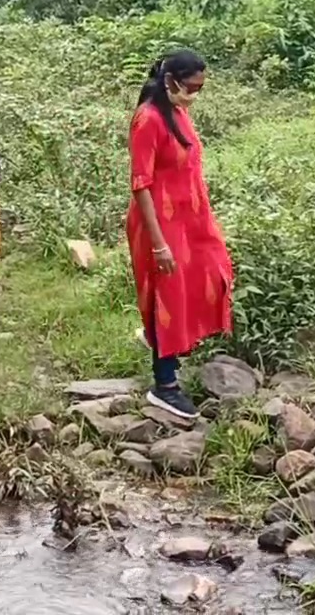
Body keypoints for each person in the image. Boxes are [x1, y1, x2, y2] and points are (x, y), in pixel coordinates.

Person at [127, 50, 233, 419]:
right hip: (158, 222)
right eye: (191, 87)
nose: (195, 94)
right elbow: (141, 185)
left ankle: (159, 338)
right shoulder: (148, 119)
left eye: (200, 89)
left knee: (213, 273)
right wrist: (158, 244)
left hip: (190, 220)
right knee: (168, 295)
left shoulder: (179, 113)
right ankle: (165, 384)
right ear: (171, 80)